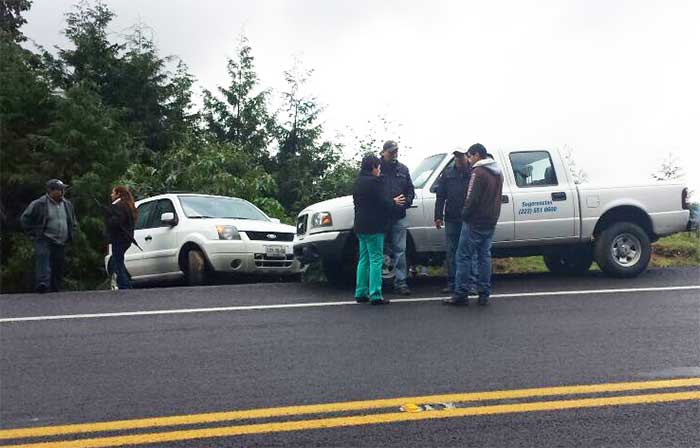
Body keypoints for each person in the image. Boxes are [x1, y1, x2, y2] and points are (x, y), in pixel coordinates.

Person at [443, 143, 503, 306]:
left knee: (463, 256)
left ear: (477, 155)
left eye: (470, 156)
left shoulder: (478, 172)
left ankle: (461, 293)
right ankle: (484, 293)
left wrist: (464, 214)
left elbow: (471, 197)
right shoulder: (498, 173)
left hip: (474, 222)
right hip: (490, 221)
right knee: (484, 257)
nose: (468, 159)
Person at [353, 155, 405, 305]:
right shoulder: (375, 182)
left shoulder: (358, 182)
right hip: (374, 227)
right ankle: (375, 294)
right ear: (374, 167)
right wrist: (393, 202)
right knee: (376, 259)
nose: (379, 170)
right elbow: (383, 202)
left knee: (363, 259)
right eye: (378, 167)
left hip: (360, 226)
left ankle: (360, 292)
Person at [20, 179, 78, 293]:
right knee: (43, 258)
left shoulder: (67, 204)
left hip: (61, 240)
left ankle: (56, 288)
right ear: (50, 191)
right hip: (44, 238)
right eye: (59, 190)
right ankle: (43, 284)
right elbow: (25, 218)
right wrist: (33, 233)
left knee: (58, 264)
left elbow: (72, 220)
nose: (62, 192)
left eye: (63, 190)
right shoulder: (39, 204)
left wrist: (73, 231)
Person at [434, 149, 475, 294]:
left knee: (470, 251)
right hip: (451, 218)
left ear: (467, 157)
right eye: (457, 157)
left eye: (462, 156)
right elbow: (440, 196)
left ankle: (471, 284)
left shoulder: (473, 173)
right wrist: (438, 216)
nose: (459, 159)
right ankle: (452, 283)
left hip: (468, 218)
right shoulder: (447, 174)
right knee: (452, 252)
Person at [380, 140, 415, 296]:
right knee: (377, 251)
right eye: (391, 151)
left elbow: (410, 191)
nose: (394, 153)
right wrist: (389, 201)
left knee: (400, 250)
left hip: (399, 216)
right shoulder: (377, 168)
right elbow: (372, 192)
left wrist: (405, 202)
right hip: (381, 216)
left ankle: (401, 282)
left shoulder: (403, 169)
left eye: (396, 151)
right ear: (384, 152)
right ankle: (375, 283)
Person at [105, 186, 138, 290]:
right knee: (118, 260)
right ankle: (127, 281)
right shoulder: (129, 205)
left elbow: (116, 222)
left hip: (119, 238)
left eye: (113, 193)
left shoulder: (118, 206)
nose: (111, 195)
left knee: (117, 262)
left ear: (118, 194)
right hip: (127, 238)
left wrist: (108, 218)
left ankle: (124, 285)